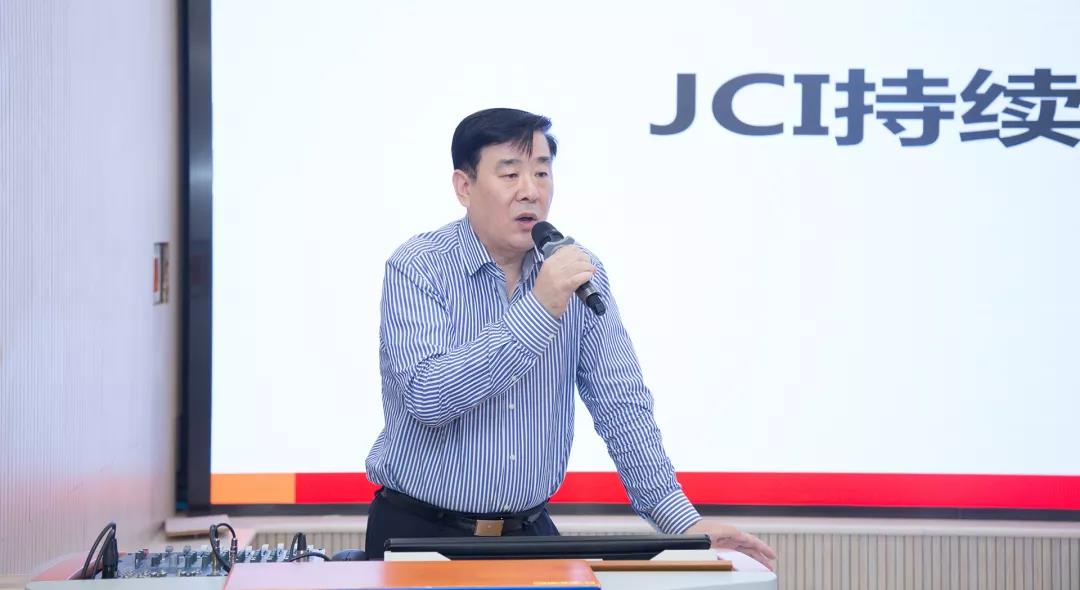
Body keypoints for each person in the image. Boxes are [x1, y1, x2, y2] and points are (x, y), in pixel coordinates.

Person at [363, 108, 776, 568]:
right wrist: (539, 308)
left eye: (542, 172)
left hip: (528, 534)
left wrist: (682, 523)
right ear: (464, 187)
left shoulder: (577, 270)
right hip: (419, 534)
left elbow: (621, 404)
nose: (531, 190)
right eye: (510, 173)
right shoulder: (418, 267)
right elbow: (429, 397)